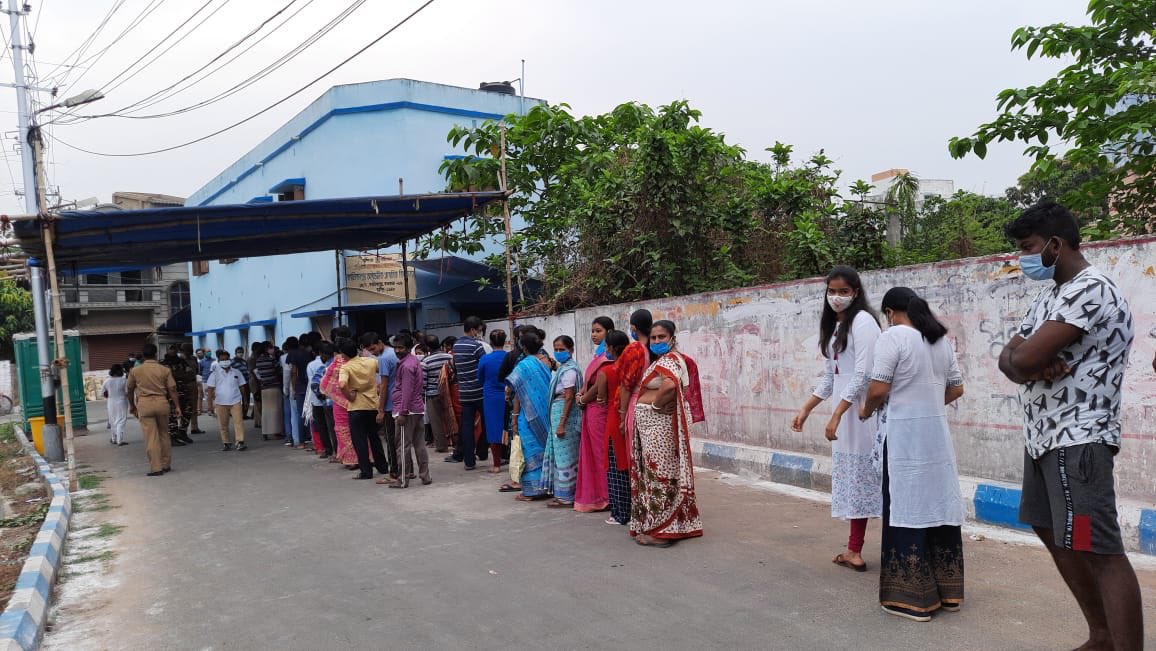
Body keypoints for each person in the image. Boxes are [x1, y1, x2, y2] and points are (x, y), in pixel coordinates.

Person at [997, 201, 1140, 649]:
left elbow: (1023, 356)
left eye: (1028, 248)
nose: (1023, 258)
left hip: (1079, 436)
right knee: (1049, 529)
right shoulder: (1050, 296)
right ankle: (1100, 635)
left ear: (1056, 245)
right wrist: (1029, 365)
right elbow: (1009, 358)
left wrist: (1027, 362)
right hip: (1043, 436)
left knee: (1099, 549)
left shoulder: (1090, 288)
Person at [859, 287, 965, 622]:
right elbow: (957, 387)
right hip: (936, 439)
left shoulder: (893, 338)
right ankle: (947, 593)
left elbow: (878, 387)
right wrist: (930, 405)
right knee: (937, 504)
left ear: (889, 312)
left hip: (904, 438)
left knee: (905, 506)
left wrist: (866, 410)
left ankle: (911, 600)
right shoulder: (938, 340)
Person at [792, 266, 882, 572]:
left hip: (863, 413)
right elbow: (832, 377)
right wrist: (806, 408)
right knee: (857, 482)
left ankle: (889, 548)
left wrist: (837, 414)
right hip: (848, 415)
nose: (837, 297)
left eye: (843, 291)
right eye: (832, 291)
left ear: (855, 292)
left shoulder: (864, 322)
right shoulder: (835, 329)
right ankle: (854, 550)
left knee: (872, 479)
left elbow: (864, 374)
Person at [626, 319, 703, 547]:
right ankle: (671, 525)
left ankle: (661, 533)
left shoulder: (671, 359)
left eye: (662, 337)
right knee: (660, 475)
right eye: (653, 338)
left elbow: (669, 386)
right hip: (653, 429)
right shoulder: (664, 360)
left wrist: (656, 406)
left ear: (672, 338)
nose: (657, 341)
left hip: (659, 430)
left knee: (660, 477)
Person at [505, 331, 553, 501]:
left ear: (523, 347)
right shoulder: (546, 362)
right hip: (545, 412)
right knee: (544, 450)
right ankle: (547, 487)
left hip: (528, 415)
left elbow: (516, 392)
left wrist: (514, 418)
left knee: (529, 450)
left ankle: (532, 491)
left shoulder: (523, 366)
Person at [575, 316, 614, 513]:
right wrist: (581, 394)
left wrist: (583, 398)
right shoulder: (598, 355)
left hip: (600, 410)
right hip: (591, 410)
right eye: (592, 331)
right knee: (592, 452)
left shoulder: (608, 357)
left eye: (598, 330)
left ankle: (607, 496)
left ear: (609, 331)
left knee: (601, 453)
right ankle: (598, 493)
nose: (594, 335)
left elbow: (600, 384)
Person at [382, 334, 432, 488]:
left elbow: (407, 390)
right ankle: (425, 476)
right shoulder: (413, 361)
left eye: (401, 347)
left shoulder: (406, 366)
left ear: (409, 348)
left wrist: (403, 412)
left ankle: (402, 479)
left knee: (402, 446)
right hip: (416, 409)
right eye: (396, 347)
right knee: (419, 444)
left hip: (407, 411)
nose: (397, 351)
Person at [127, 343, 181, 476]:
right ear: (156, 354)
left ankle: (156, 467)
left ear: (143, 356)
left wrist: (132, 405)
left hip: (145, 404)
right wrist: (177, 406)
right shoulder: (164, 370)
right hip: (162, 403)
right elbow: (172, 389)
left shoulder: (135, 371)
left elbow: (129, 389)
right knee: (164, 434)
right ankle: (166, 464)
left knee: (151, 437)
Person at [339, 339, 390, 480]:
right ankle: (383, 466)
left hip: (356, 407)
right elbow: (384, 371)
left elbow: (342, 385)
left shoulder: (346, 367)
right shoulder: (371, 361)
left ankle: (366, 471)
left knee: (359, 440)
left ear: (344, 354)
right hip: (372, 404)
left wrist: (350, 396)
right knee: (374, 437)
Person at [542, 336, 583, 508]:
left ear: (571, 350)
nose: (558, 352)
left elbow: (568, 397)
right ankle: (563, 494)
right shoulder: (563, 368)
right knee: (561, 456)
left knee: (566, 457)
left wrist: (561, 423)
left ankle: (567, 496)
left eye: (562, 349)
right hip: (559, 412)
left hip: (565, 415)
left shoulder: (570, 371)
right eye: (556, 349)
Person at [600, 331, 632, 525]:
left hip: (615, 419)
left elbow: (601, 399)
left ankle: (620, 513)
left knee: (615, 466)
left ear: (611, 348)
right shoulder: (634, 368)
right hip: (629, 417)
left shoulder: (609, 370)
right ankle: (631, 510)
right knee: (627, 465)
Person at [449, 316, 487, 470]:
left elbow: (456, 367)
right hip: (480, 391)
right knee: (486, 423)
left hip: (464, 392)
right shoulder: (477, 346)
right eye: (478, 330)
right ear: (472, 330)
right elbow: (484, 365)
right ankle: (483, 452)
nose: (479, 333)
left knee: (466, 426)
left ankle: (469, 462)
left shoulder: (456, 346)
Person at [321, 334, 360, 469]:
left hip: (340, 402)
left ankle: (351, 459)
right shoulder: (360, 360)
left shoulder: (337, 362)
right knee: (360, 430)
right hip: (358, 399)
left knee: (343, 430)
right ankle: (365, 457)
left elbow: (326, 383)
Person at [477, 329, 509, 474]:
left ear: (490, 342)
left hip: (490, 396)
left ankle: (496, 464)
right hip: (508, 394)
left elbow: (480, 378)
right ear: (505, 341)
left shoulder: (485, 359)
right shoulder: (509, 357)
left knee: (493, 428)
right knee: (509, 426)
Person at [207, 350, 248, 451]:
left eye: (226, 359)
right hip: (220, 402)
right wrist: (210, 406)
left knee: (238, 422)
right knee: (223, 424)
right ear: (219, 361)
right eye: (222, 359)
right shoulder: (214, 374)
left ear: (230, 360)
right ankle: (226, 443)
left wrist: (245, 400)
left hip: (236, 401)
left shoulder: (236, 372)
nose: (225, 361)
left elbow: (242, 387)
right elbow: (210, 390)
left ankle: (240, 441)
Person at [421, 335, 455, 453]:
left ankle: (441, 446)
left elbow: (423, 382)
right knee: (451, 418)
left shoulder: (425, 361)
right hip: (449, 393)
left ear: (427, 347)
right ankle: (455, 443)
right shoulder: (449, 357)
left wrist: (422, 396)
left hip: (433, 394)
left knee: (436, 421)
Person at [307, 342, 337, 459]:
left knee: (326, 427)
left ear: (321, 354)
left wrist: (321, 395)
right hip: (341, 402)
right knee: (338, 428)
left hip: (325, 402)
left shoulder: (320, 367)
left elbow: (314, 384)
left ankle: (331, 450)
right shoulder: (340, 363)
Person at [163, 345, 197, 446]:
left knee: (188, 410)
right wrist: (181, 374)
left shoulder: (181, 362)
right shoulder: (163, 363)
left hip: (184, 390)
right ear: (168, 350)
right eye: (171, 349)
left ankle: (182, 432)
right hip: (170, 392)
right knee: (172, 414)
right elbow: (164, 377)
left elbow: (191, 374)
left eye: (175, 349)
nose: (173, 351)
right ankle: (172, 436)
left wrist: (174, 375)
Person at [253, 342, 284, 441]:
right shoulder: (271, 360)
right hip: (274, 387)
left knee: (266, 411)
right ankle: (276, 432)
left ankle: (265, 432)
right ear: (267, 349)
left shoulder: (258, 361)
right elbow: (279, 371)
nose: (273, 349)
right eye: (271, 348)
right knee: (276, 410)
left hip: (264, 388)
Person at [102, 364, 129, 446]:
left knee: (112, 420)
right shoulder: (124, 380)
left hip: (111, 402)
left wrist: (109, 395)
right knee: (121, 420)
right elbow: (127, 392)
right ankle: (119, 440)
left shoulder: (107, 381)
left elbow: (102, 393)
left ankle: (113, 439)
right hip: (122, 401)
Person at [232, 346, 251, 419]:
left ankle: (244, 414)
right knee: (237, 400)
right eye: (239, 352)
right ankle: (237, 414)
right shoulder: (232, 362)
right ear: (236, 353)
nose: (240, 354)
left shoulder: (244, 361)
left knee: (246, 399)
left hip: (246, 383)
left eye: (242, 352)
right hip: (237, 384)